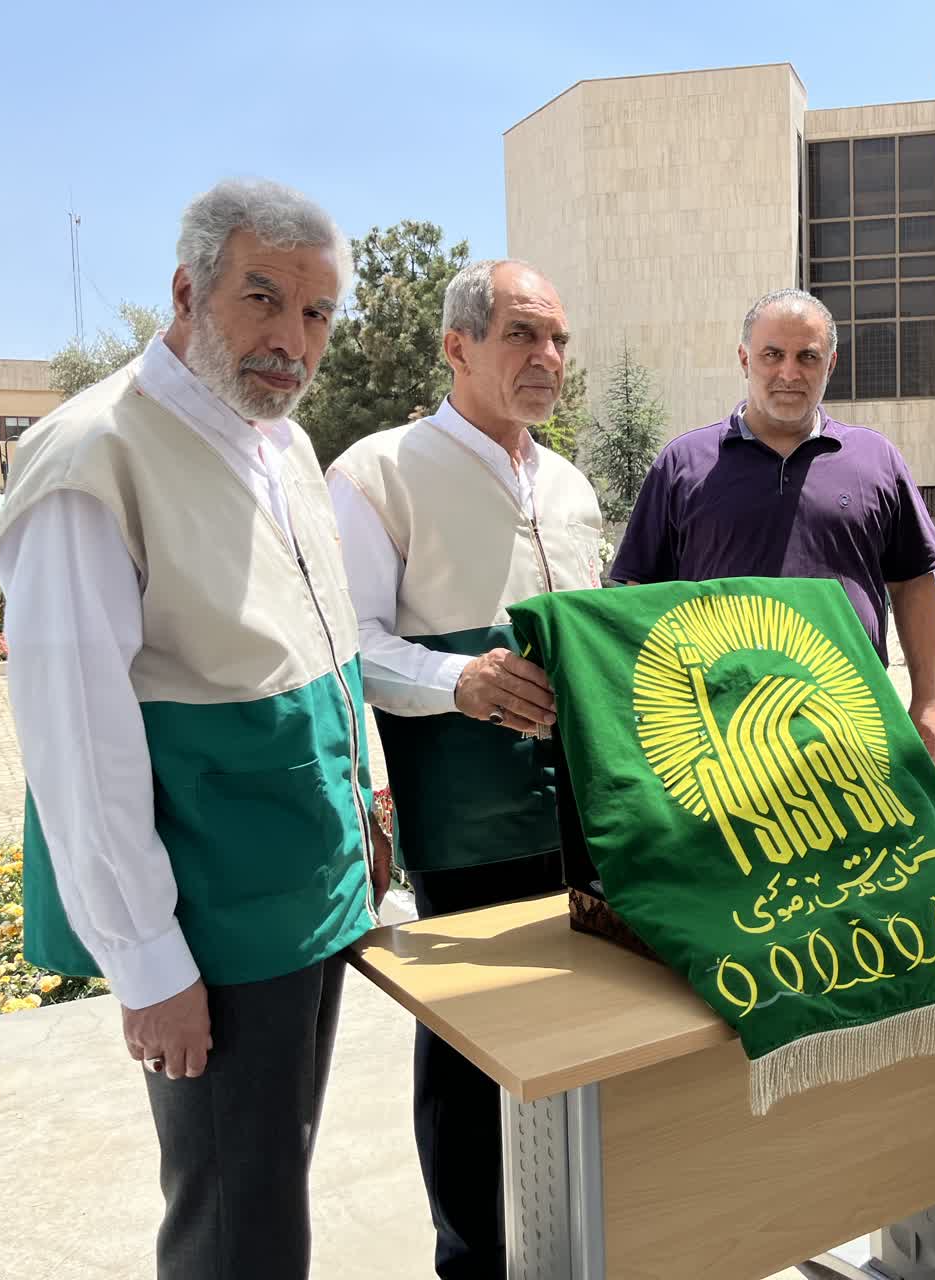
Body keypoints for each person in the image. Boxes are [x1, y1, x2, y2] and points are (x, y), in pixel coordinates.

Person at [0, 179, 385, 1280]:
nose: (291, 340)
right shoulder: (92, 456)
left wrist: (363, 827)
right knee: (235, 1224)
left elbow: (312, 649)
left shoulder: (280, 442)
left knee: (273, 1185)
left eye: (316, 312)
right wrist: (148, 961)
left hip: (299, 894)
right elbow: (77, 739)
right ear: (186, 290)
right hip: (210, 916)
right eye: (263, 298)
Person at [327, 260, 604, 1279]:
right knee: (471, 1048)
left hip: (588, 813)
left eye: (558, 338)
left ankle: (579, 1240)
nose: (547, 357)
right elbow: (350, 643)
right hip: (466, 816)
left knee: (589, 1028)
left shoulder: (569, 484)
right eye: (522, 334)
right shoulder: (378, 472)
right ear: (457, 346)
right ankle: (472, 1257)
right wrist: (460, 679)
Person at [611, 287, 935, 760]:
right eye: (773, 355)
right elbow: (637, 594)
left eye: (807, 357)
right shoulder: (682, 464)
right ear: (744, 360)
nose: (789, 373)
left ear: (830, 364)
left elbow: (914, 583)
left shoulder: (876, 460)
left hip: (851, 729)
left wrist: (928, 701)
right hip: (715, 735)